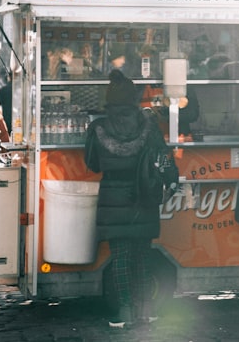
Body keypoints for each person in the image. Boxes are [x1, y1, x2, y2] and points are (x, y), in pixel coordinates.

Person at [84, 70, 164, 329]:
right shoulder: (149, 125)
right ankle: (147, 311)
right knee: (142, 254)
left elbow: (92, 164)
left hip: (113, 198)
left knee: (119, 256)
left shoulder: (99, 128)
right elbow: (162, 156)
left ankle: (125, 311)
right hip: (144, 196)